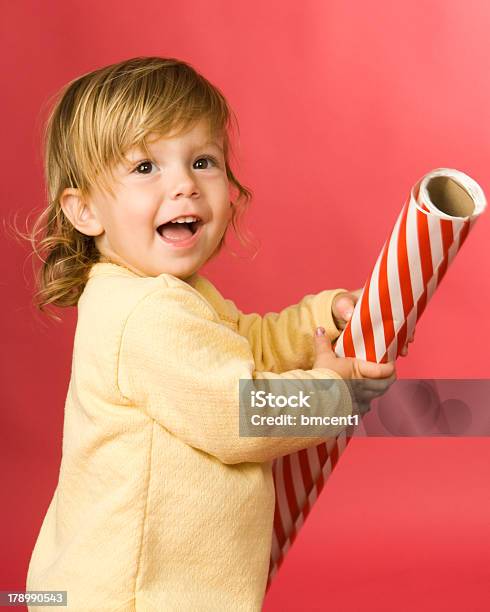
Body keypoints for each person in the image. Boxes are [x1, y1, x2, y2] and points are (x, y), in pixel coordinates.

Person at [24, 56, 405, 611]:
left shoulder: (167, 295)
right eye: (146, 168)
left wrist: (323, 319)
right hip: (129, 598)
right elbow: (241, 413)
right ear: (85, 211)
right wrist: (333, 393)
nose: (185, 185)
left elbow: (243, 345)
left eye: (203, 161)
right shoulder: (147, 314)